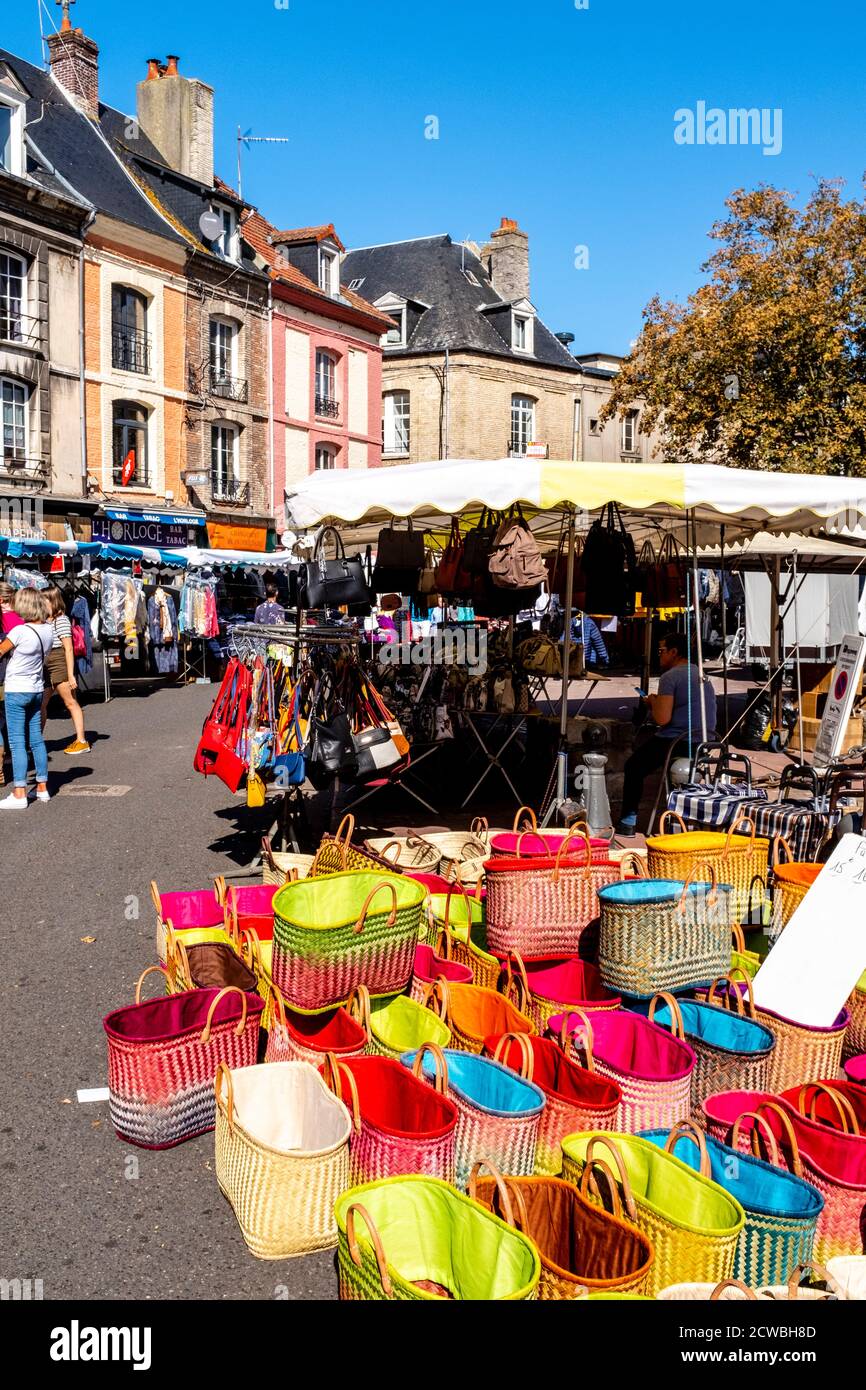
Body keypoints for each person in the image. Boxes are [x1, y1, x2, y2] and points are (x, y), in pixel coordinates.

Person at [617, 629, 717, 834]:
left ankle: (628, 822)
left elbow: (662, 719)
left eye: (662, 650)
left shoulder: (670, 677)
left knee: (634, 766)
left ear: (674, 652)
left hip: (678, 740)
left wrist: (652, 702)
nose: (659, 654)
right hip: (705, 740)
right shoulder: (701, 675)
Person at [0, 588, 54, 807]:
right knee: (36, 740)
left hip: (16, 689)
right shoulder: (48, 630)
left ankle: (19, 792)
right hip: (36, 688)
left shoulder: (20, 632)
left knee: (17, 742)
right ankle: (42, 787)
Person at [41, 585, 90, 755]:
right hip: (47, 663)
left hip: (58, 661)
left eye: (44, 599)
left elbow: (68, 649)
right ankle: (36, 742)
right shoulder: (45, 619)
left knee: (70, 701)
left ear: (52, 600)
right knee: (42, 704)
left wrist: (70, 675)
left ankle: (82, 740)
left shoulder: (61, 619)